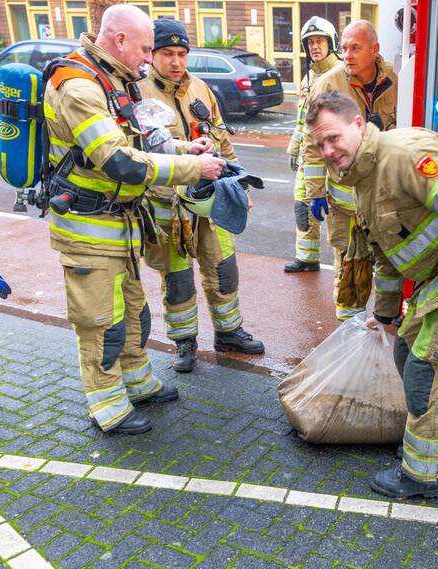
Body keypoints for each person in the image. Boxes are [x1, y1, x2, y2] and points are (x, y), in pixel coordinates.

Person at [306, 92, 438, 499]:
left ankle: (422, 475)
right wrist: (385, 317)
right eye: (320, 145)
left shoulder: (405, 156)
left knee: (429, 373)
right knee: (406, 354)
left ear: (358, 125)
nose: (328, 150)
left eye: (333, 138)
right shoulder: (364, 181)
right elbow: (387, 257)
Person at [43, 5, 225, 434]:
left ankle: (138, 382)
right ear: (119, 40)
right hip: (89, 228)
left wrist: (186, 151)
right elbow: (121, 162)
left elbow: (138, 140)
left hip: (119, 225)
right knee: (100, 323)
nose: (149, 58)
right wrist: (192, 171)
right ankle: (108, 407)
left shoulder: (111, 78)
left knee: (133, 313)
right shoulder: (77, 87)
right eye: (145, 49)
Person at [138, 18, 263, 374]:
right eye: (167, 53)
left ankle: (228, 332)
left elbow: (222, 142)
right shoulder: (138, 93)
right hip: (167, 204)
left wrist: (240, 184)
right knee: (177, 277)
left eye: (182, 53)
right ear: (152, 54)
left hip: (211, 198)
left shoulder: (201, 90)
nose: (176, 62)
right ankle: (184, 342)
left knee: (223, 268)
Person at [300, 20, 397, 320]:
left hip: (384, 199)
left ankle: (385, 323)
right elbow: (313, 142)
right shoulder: (329, 83)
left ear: (375, 50)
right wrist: (314, 193)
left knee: (387, 262)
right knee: (347, 266)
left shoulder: (397, 80)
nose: (348, 55)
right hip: (344, 203)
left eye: (356, 48)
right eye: (344, 48)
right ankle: (348, 328)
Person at [282, 16, 340, 274]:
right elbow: (302, 121)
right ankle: (307, 258)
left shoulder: (339, 75)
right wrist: (294, 150)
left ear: (332, 43)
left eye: (320, 41)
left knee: (342, 212)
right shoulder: (309, 78)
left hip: (332, 158)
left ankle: (350, 264)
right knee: (302, 206)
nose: (315, 47)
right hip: (310, 157)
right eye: (310, 42)